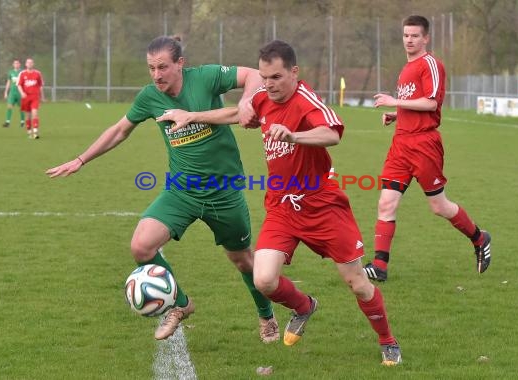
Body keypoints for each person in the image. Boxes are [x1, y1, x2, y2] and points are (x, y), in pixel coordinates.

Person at [157, 39, 403, 366]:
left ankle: (387, 340)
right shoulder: (263, 96)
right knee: (263, 279)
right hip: (282, 206)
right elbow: (236, 112)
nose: (268, 85)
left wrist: (294, 135)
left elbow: (332, 133)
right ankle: (304, 306)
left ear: (294, 72)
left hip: (323, 205)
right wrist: (193, 115)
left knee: (357, 283)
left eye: (275, 77)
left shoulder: (305, 100)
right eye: (264, 77)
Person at [45, 35, 280, 344]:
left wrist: (248, 99)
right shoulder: (149, 97)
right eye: (151, 68)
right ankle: (181, 305)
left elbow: (251, 74)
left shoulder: (206, 77)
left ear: (180, 64)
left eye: (163, 67)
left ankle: (266, 316)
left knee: (243, 261)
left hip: (223, 191)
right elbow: (119, 130)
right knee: (141, 247)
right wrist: (81, 159)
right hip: (181, 191)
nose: (156, 75)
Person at [363, 15, 491, 282]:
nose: (409, 40)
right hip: (401, 144)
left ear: (425, 38)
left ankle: (479, 238)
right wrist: (397, 114)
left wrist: (394, 101)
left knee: (439, 206)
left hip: (424, 145)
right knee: (386, 202)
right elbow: (413, 103)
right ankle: (379, 266)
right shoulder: (405, 68)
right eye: (406, 35)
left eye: (414, 36)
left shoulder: (430, 64)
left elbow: (432, 104)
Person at [17, 57, 45, 139]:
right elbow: (19, 85)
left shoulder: (37, 74)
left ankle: (36, 132)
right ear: (25, 64)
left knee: (35, 113)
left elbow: (40, 86)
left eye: (31, 62)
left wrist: (42, 96)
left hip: (35, 96)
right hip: (26, 97)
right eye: (28, 62)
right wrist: (22, 93)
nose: (29, 64)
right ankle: (29, 131)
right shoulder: (22, 74)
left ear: (33, 64)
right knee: (28, 115)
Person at [2, 59, 25, 128]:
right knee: (9, 106)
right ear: (13, 64)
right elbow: (8, 82)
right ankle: (7, 122)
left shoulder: (22, 72)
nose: (16, 64)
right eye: (15, 63)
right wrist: (6, 92)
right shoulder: (10, 72)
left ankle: (22, 122)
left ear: (19, 64)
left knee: (21, 108)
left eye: (17, 63)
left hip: (19, 92)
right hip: (12, 92)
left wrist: (24, 92)